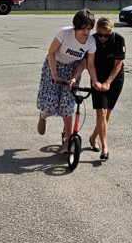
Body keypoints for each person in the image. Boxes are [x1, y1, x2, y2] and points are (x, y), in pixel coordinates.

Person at [36, 10, 100, 150]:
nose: (86, 32)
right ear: (76, 27)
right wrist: (54, 74)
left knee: (68, 105)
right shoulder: (64, 33)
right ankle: (43, 115)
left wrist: (94, 81)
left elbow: (89, 64)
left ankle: (67, 140)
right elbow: (51, 52)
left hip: (72, 70)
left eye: (89, 29)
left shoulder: (91, 41)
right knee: (52, 106)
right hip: (54, 66)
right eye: (83, 28)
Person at [86, 16, 125, 161]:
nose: (102, 38)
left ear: (111, 32)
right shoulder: (91, 40)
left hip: (115, 78)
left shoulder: (119, 40)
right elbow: (89, 64)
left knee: (107, 113)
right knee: (101, 112)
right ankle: (104, 147)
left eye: (106, 35)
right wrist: (95, 81)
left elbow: (118, 65)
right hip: (97, 77)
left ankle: (93, 137)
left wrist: (108, 82)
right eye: (100, 34)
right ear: (96, 30)